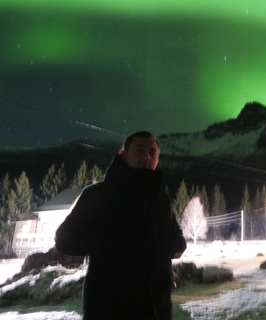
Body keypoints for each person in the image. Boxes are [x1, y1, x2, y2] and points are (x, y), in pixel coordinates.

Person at [55, 131, 186, 320]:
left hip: (157, 307)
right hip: (109, 307)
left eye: (152, 153)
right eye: (140, 151)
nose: (147, 157)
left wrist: (172, 244)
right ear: (123, 155)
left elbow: (177, 244)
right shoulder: (97, 195)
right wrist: (109, 246)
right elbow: (65, 241)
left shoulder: (161, 200)